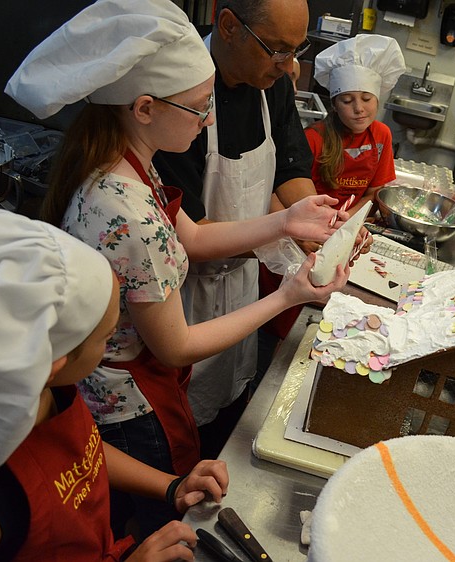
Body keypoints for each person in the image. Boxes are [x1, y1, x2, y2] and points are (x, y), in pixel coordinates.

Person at [5, 0, 348, 538]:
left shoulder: (128, 162)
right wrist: (289, 296)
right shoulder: (125, 209)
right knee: (149, 532)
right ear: (144, 108)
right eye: (197, 107)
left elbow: (194, 235)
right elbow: (176, 346)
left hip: (129, 393)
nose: (209, 118)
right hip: (129, 409)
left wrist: (288, 221)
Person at [0, 209, 229, 562]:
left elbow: (82, 452)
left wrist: (171, 485)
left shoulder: (47, 389)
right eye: (107, 339)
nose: (109, 349)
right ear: (53, 364)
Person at [151, 0, 329, 457]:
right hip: (183, 300)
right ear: (228, 26)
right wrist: (287, 228)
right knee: (182, 435)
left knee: (231, 416)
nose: (289, 65)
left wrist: (319, 219)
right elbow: (192, 235)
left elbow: (289, 164)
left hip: (245, 289)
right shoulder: (181, 97)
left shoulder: (271, 83)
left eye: (296, 50)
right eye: (277, 50)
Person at [306, 34, 405, 217]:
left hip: (353, 220)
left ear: (377, 99)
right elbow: (298, 194)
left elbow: (373, 193)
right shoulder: (313, 138)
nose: (359, 108)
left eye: (367, 99)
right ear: (334, 105)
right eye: (346, 101)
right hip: (313, 219)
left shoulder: (382, 135)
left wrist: (347, 219)